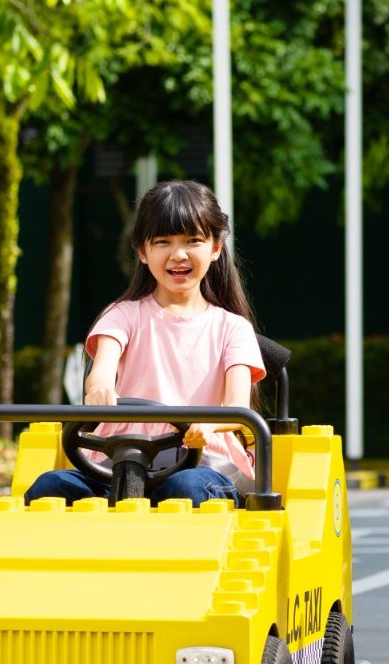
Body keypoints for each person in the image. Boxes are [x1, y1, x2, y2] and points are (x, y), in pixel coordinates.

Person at [25, 180, 266, 507]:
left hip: (203, 461)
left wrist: (206, 426)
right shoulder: (122, 315)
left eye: (192, 240)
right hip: (119, 463)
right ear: (142, 251)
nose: (178, 254)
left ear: (215, 248)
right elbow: (103, 366)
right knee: (50, 486)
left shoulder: (232, 328)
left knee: (188, 488)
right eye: (163, 241)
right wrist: (98, 388)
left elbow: (236, 408)